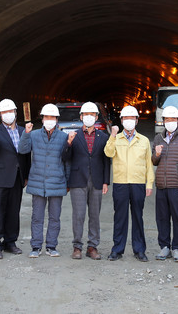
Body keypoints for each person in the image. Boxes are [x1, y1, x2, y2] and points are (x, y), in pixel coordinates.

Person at [104, 106, 155, 262]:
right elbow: (108, 153)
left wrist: (149, 184)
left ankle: (139, 250)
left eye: (132, 118)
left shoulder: (144, 140)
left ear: (137, 120)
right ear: (121, 121)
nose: (129, 121)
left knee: (137, 217)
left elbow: (149, 164)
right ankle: (117, 249)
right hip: (120, 183)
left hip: (138, 183)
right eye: (126, 118)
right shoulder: (116, 139)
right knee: (120, 217)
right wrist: (112, 135)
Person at [19, 103, 69, 258]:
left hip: (57, 181)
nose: (49, 120)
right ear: (42, 119)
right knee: (37, 217)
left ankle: (51, 246)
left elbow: (67, 160)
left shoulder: (63, 137)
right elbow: (23, 150)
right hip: (38, 181)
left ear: (57, 119)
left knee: (55, 217)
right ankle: (35, 246)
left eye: (52, 117)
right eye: (46, 117)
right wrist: (26, 133)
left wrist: (67, 181)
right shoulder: (33, 135)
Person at [62, 102, 111, 260]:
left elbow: (106, 161)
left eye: (92, 115)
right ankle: (77, 247)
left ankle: (92, 246)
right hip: (78, 180)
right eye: (86, 115)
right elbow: (65, 157)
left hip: (96, 180)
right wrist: (68, 143)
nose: (89, 117)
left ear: (96, 117)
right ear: (81, 117)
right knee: (78, 214)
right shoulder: (74, 136)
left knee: (95, 215)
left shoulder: (103, 137)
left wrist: (105, 181)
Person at [0, 99, 30, 259]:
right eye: (5, 112)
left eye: (11, 111)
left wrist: (26, 175)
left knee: (13, 212)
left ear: (16, 113)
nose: (8, 114)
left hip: (17, 178)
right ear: (0, 115)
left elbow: (25, 155)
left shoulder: (22, 131)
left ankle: (10, 242)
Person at [152, 106, 178, 262]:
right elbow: (154, 161)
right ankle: (164, 247)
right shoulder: (158, 138)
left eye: (173, 119)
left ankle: (177, 248)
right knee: (162, 218)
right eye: (167, 119)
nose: (170, 122)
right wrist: (156, 154)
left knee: (177, 218)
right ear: (163, 121)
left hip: (177, 185)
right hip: (162, 185)